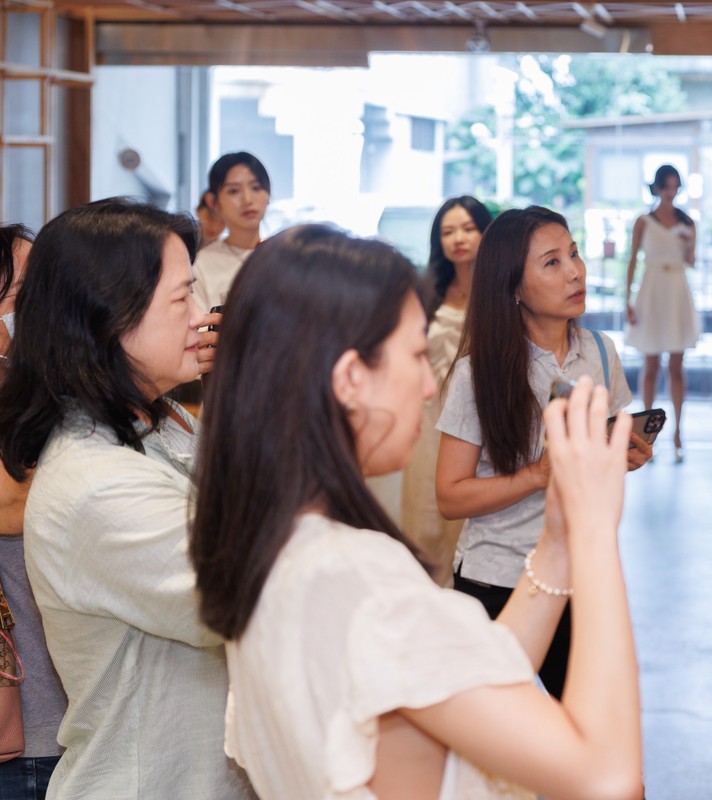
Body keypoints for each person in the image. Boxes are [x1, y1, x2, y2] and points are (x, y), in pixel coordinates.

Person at [189, 224, 642, 800]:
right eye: (413, 355)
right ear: (351, 379)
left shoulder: (277, 545)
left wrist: (559, 540)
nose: (428, 386)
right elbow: (608, 774)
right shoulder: (359, 580)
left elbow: (474, 671)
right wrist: (597, 530)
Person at [0, 199, 252, 799]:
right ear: (110, 317)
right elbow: (249, 591)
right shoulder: (97, 480)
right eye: (182, 297)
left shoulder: (161, 419)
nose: (201, 317)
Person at [437, 206, 652, 699]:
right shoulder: (477, 374)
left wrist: (621, 455)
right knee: (496, 735)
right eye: (552, 262)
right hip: (497, 580)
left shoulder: (599, 352)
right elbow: (450, 496)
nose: (575, 271)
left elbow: (600, 453)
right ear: (514, 287)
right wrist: (538, 473)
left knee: (585, 722)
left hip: (580, 574)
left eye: (573, 254)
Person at [0, 224, 68, 800]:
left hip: (74, 713)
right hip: (33, 716)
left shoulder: (37, 382)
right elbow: (11, 507)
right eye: (20, 292)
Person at [399, 196, 493, 585]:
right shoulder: (427, 290)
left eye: (469, 229)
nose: (459, 239)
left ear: (486, 232)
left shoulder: (501, 290)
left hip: (480, 422)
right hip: (429, 420)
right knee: (425, 520)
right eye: (448, 231)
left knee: (472, 519)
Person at [625, 164, 701, 463]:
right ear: (657, 188)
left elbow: (692, 261)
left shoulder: (687, 222)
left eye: (675, 186)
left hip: (677, 290)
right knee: (651, 363)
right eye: (666, 186)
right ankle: (646, 434)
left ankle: (678, 432)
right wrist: (627, 299)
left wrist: (689, 243)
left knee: (677, 365)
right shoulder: (643, 221)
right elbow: (632, 259)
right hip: (652, 290)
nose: (671, 192)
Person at [192, 151, 270, 314]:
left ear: (267, 194)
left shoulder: (283, 257)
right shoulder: (201, 266)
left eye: (256, 188)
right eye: (234, 191)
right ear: (213, 201)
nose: (247, 199)